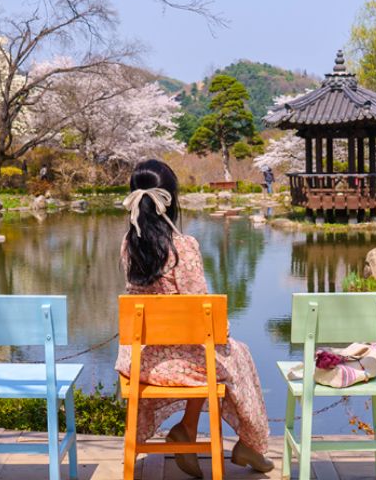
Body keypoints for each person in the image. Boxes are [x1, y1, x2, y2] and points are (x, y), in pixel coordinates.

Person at [115, 159, 273, 477]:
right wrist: (221, 330)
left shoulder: (129, 247)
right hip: (181, 360)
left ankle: (186, 430)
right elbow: (205, 316)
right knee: (233, 354)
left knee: (210, 357)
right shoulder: (184, 248)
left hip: (141, 360)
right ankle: (249, 444)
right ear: (171, 201)